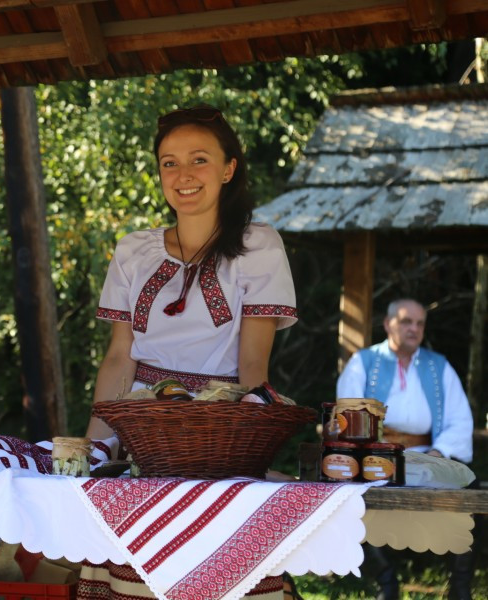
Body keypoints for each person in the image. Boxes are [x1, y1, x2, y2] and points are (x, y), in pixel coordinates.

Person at [82, 105, 299, 600]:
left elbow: (252, 366)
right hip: (139, 423)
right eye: (169, 163)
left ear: (228, 169)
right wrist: (96, 447)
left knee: (217, 551)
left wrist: (235, 441)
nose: (183, 175)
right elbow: (120, 357)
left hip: (216, 420)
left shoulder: (258, 245)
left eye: (199, 160)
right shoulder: (133, 250)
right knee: (130, 564)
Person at [336, 298, 475, 600]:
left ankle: (460, 587)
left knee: (467, 494)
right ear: (388, 324)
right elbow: (348, 415)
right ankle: (386, 582)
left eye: (419, 323)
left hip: (428, 457)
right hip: (374, 458)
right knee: (350, 495)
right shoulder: (364, 362)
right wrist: (373, 451)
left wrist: (439, 453)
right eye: (405, 322)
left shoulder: (439, 366)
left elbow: (460, 420)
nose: (413, 329)